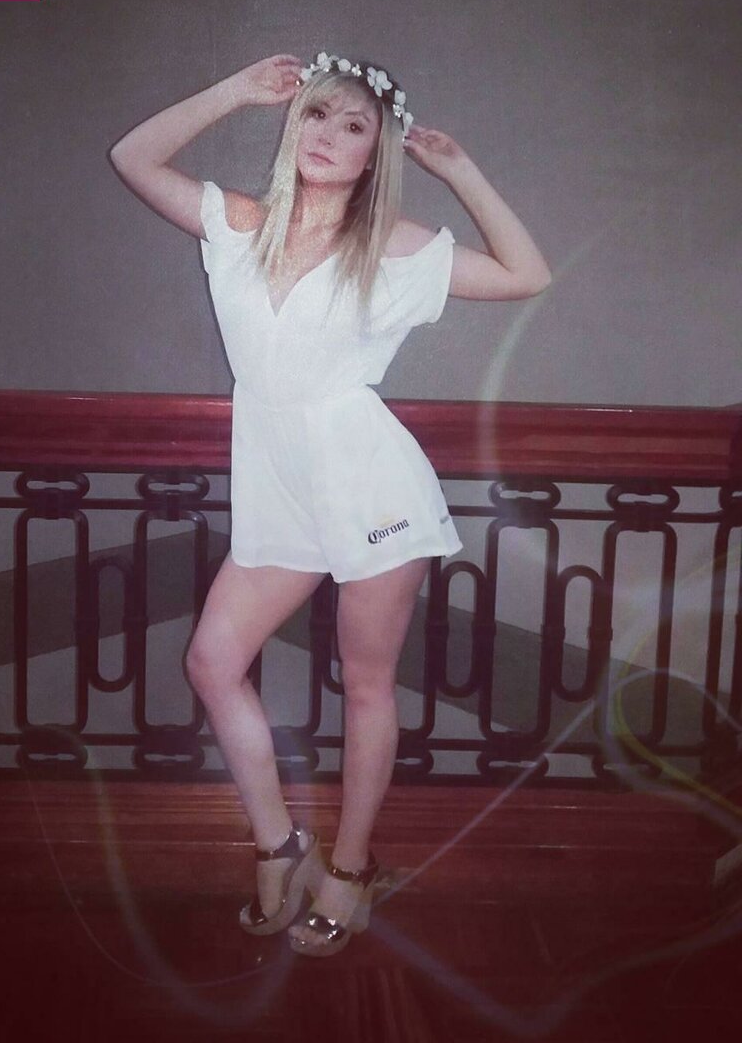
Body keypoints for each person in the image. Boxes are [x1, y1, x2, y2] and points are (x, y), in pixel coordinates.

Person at [111, 52, 550, 957]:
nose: (328, 135)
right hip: (277, 490)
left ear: (374, 153)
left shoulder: (394, 247)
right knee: (212, 661)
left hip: (370, 488)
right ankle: (280, 844)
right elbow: (132, 157)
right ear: (292, 123)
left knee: (367, 683)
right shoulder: (240, 224)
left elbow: (526, 274)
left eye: (354, 127)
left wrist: (460, 170)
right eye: (317, 114)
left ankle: (351, 868)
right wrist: (235, 90)